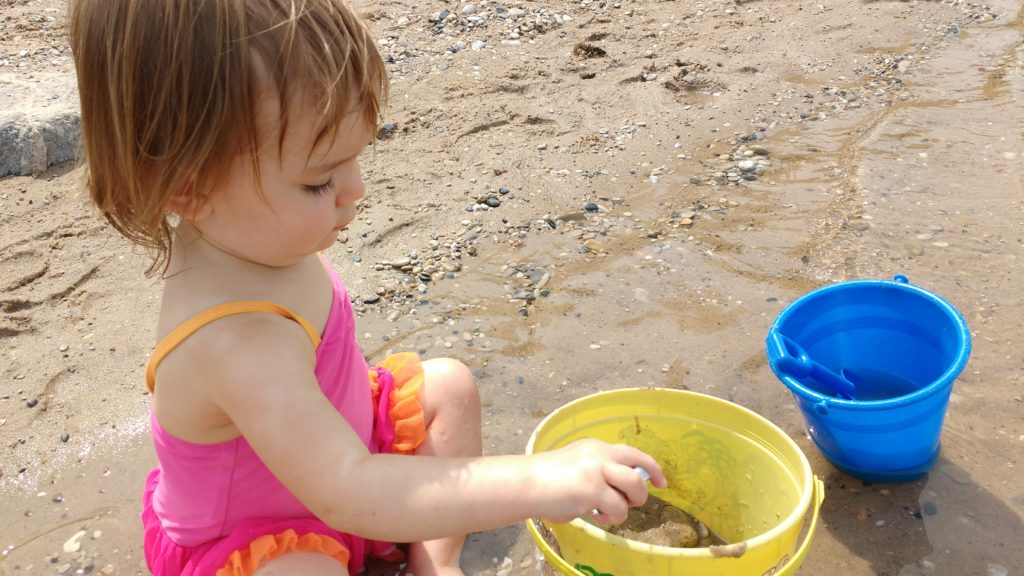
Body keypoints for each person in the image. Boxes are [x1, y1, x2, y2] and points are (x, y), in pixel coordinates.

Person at [68, 1, 666, 574]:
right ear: (188, 187)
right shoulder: (231, 341)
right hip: (263, 532)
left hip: (341, 453)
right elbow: (347, 490)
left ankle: (436, 560)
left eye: (353, 159)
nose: (355, 189)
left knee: (449, 386)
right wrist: (540, 480)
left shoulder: (249, 233)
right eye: (319, 181)